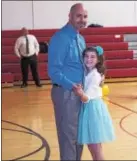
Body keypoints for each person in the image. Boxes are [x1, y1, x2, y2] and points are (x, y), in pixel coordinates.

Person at [48, 3, 88, 160]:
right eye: (78, 16)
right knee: (68, 139)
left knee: (79, 137)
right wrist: (73, 87)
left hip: (80, 94)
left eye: (85, 16)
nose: (82, 20)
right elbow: (54, 72)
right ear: (70, 16)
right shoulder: (60, 38)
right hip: (66, 93)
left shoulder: (81, 38)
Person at [74, 46, 115, 160]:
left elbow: (86, 98)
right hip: (90, 109)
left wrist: (80, 93)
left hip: (92, 109)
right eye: (86, 56)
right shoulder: (90, 72)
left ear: (98, 59)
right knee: (93, 147)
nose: (89, 59)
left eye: (92, 57)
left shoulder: (95, 75)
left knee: (95, 147)